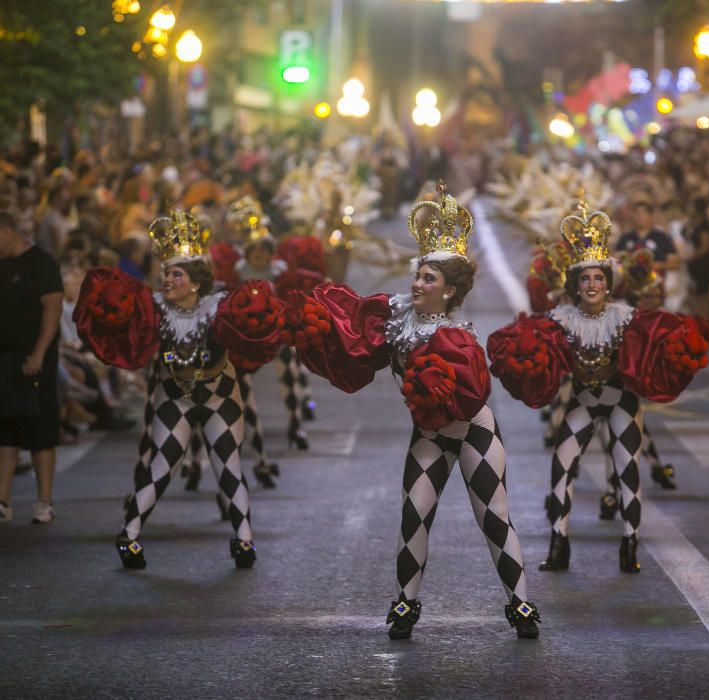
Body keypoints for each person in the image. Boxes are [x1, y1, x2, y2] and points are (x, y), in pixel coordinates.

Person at [291, 184, 540, 640]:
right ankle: (405, 604)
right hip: (428, 434)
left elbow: (473, 392)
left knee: (493, 517)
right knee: (414, 514)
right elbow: (354, 331)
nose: (417, 284)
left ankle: (521, 604)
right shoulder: (397, 316)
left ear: (449, 292)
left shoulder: (457, 335)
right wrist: (318, 322)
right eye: (418, 274)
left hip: (473, 433)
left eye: (429, 279)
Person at [488, 203, 709, 574]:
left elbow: (662, 334)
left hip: (621, 401)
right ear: (576, 284)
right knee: (562, 468)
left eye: (599, 278)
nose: (592, 285)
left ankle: (630, 544)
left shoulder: (625, 317)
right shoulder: (561, 319)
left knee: (628, 471)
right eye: (585, 279)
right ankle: (559, 544)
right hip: (581, 400)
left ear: (609, 283)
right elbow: (530, 344)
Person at [73, 210, 284, 569]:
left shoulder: (219, 307)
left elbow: (258, 323)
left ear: (196, 281)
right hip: (175, 397)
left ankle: (244, 540)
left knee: (227, 464)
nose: (167, 280)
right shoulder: (153, 310)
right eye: (165, 273)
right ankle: (129, 535)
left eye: (176, 274)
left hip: (221, 397)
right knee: (163, 464)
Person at [0, 210, 64, 524]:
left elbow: (52, 309)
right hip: (4, 359)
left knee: (40, 432)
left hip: (36, 360)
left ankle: (44, 502)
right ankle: (2, 501)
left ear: (7, 231)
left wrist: (39, 353)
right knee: (5, 432)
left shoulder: (42, 262)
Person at [616, 201, 680, 274]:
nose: (640, 216)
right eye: (637, 213)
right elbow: (616, 259)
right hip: (629, 281)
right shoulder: (626, 237)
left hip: (655, 280)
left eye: (644, 213)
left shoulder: (661, 237)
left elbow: (675, 262)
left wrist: (658, 265)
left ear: (651, 216)